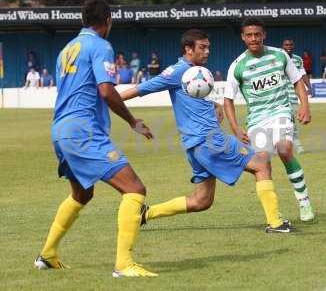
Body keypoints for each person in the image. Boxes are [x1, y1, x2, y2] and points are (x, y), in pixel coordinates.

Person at [120, 29, 293, 233]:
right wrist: (108, 100)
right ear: (188, 49)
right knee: (262, 162)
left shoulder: (195, 72)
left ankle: (145, 214)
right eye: (202, 47)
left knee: (201, 200)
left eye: (208, 47)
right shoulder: (177, 71)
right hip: (210, 140)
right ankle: (275, 222)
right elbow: (141, 89)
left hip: (195, 146)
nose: (207, 51)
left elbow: (191, 99)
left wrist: (214, 105)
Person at [34, 0, 157, 278]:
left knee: (82, 193)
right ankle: (124, 265)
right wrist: (132, 121)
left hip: (60, 129)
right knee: (135, 189)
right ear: (108, 21)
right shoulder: (101, 45)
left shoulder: (67, 48)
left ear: (83, 20)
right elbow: (106, 90)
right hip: (83, 130)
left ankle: (48, 255)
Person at [224, 18, 315, 222]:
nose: (254, 38)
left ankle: (304, 201)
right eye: (249, 35)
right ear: (243, 37)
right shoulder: (237, 66)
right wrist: (236, 128)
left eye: (257, 34)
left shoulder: (279, 54)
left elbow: (297, 82)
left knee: (284, 149)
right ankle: (274, 212)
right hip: (256, 120)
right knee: (262, 161)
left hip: (281, 112)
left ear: (264, 34)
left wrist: (305, 106)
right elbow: (228, 100)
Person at [282, 37, 312, 154]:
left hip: (293, 95)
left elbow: (302, 74)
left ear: (293, 46)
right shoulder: (278, 58)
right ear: (282, 46)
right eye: (286, 45)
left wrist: (309, 87)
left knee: (291, 122)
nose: (288, 47)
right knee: (285, 122)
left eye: (290, 45)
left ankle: (293, 144)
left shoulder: (298, 60)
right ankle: (297, 145)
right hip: (279, 95)